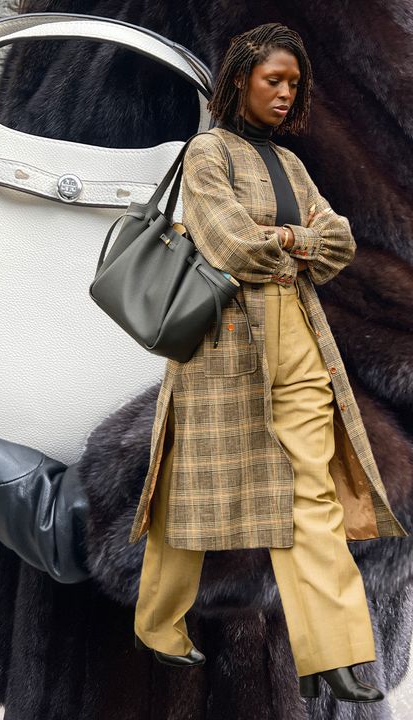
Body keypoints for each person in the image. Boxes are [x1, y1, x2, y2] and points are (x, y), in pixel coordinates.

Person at [129, 23, 406, 703]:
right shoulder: (206, 155)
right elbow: (229, 244)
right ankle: (159, 620)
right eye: (272, 81)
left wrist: (289, 240)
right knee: (193, 496)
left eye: (292, 82)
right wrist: (295, 241)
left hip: (298, 340)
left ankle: (337, 649)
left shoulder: (292, 166)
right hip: (219, 343)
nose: (286, 93)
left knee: (315, 491)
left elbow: (336, 242)